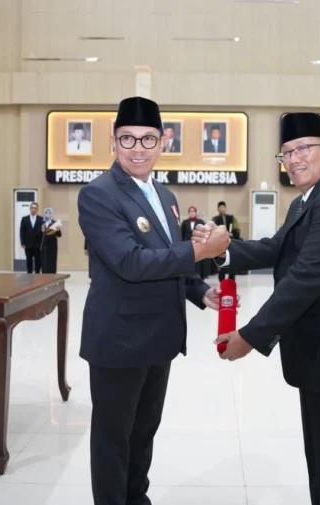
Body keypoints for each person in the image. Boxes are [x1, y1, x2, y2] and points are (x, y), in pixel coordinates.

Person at [193, 112, 320, 505]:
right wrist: (222, 249)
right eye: (286, 154)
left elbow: (305, 279)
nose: (294, 159)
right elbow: (275, 249)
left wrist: (249, 337)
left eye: (303, 149)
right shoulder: (307, 201)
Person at [77, 96, 231, 505]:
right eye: (128, 138)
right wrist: (200, 251)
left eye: (148, 139)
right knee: (113, 439)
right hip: (119, 339)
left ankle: (136, 498)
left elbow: (167, 257)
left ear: (163, 142)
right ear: (113, 142)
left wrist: (199, 291)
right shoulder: (98, 194)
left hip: (158, 338)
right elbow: (130, 262)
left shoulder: (164, 195)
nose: (138, 148)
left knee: (143, 432)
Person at [211, 201, 240, 281]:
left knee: (232, 264)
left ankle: (231, 281)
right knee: (221, 265)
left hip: (230, 244)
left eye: (223, 207)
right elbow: (212, 231)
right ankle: (222, 283)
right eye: (220, 207)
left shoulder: (232, 218)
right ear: (218, 209)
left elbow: (237, 229)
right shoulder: (215, 219)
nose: (222, 209)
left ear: (226, 208)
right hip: (220, 246)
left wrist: (232, 234)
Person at [181, 206, 207, 279]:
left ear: (195, 213)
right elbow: (182, 234)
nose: (192, 213)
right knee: (189, 261)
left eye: (193, 211)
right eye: (190, 211)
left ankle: (199, 277)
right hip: (187, 245)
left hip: (198, 244)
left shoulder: (200, 222)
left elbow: (204, 233)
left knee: (198, 261)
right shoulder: (185, 222)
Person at [19, 202, 44, 273]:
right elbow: (22, 231)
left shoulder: (41, 219)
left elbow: (43, 232)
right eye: (32, 208)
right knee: (29, 261)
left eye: (35, 208)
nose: (33, 209)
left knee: (38, 261)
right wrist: (22, 242)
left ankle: (37, 274)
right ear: (30, 209)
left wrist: (42, 243)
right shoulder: (24, 219)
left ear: (37, 209)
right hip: (28, 244)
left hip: (38, 244)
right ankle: (29, 274)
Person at [41, 207, 61, 273]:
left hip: (52, 245)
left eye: (49, 213)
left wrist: (58, 229)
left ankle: (52, 274)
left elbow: (59, 235)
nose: (48, 214)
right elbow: (40, 234)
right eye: (46, 213)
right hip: (44, 245)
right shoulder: (42, 223)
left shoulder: (54, 223)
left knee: (52, 260)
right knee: (44, 261)